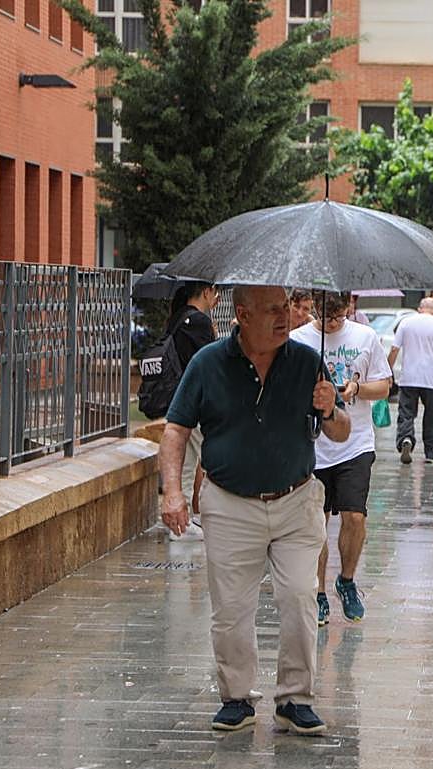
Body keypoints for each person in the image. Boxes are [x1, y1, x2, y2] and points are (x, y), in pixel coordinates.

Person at [159, 285, 350, 735]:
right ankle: (236, 697)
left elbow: (341, 431)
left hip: (296, 501)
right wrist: (173, 492)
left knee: (301, 597)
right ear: (242, 315)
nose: (285, 317)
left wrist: (330, 409)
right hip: (229, 504)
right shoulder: (207, 363)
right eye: (272, 311)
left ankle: (296, 699)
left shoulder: (307, 361)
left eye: (286, 308)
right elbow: (175, 430)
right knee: (230, 609)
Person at [291, 292, 392, 627]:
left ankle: (346, 580)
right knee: (315, 523)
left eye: (338, 316)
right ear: (314, 310)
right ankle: (318, 593)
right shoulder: (299, 340)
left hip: (356, 444)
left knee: (355, 517)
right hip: (313, 446)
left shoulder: (365, 337)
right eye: (325, 316)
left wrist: (357, 389)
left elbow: (386, 386)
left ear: (349, 308)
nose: (332, 323)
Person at [165, 281, 219, 541]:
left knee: (185, 460)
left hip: (178, 398)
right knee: (196, 460)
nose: (216, 299)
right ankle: (184, 524)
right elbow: (211, 362)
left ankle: (182, 521)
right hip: (196, 402)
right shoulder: (198, 321)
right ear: (206, 292)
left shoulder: (177, 317)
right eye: (215, 293)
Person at [388, 298, 433, 464]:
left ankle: (406, 439)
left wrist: (387, 370)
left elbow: (394, 348)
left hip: (409, 377)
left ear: (420, 308)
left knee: (406, 411)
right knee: (432, 414)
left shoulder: (406, 323)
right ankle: (431, 451)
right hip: (432, 378)